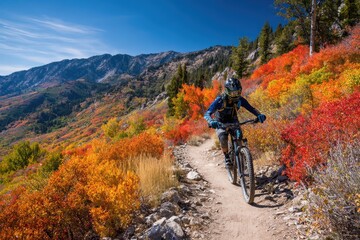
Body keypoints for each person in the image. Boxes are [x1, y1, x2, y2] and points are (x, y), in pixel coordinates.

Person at [204, 77, 266, 167]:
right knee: (223, 138)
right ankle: (226, 157)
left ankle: (242, 155)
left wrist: (259, 115)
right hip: (220, 121)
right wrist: (211, 121)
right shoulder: (220, 100)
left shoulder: (240, 100)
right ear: (227, 91)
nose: (235, 95)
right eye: (233, 93)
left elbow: (251, 108)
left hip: (233, 119)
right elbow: (207, 113)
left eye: (237, 92)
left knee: (239, 135)